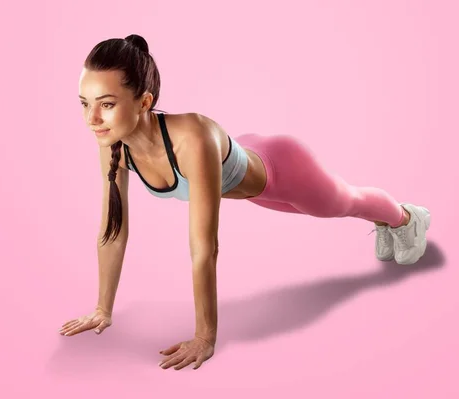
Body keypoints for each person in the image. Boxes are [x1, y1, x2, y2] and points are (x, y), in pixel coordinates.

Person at [59, 34, 431, 370]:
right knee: (323, 207)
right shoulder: (113, 147)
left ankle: (405, 219)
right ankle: (392, 221)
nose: (92, 118)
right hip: (250, 186)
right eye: (84, 103)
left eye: (106, 104)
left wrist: (205, 336)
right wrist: (102, 310)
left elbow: (204, 247)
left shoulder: (192, 136)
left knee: (345, 202)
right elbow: (113, 231)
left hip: (282, 170)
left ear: (145, 101)